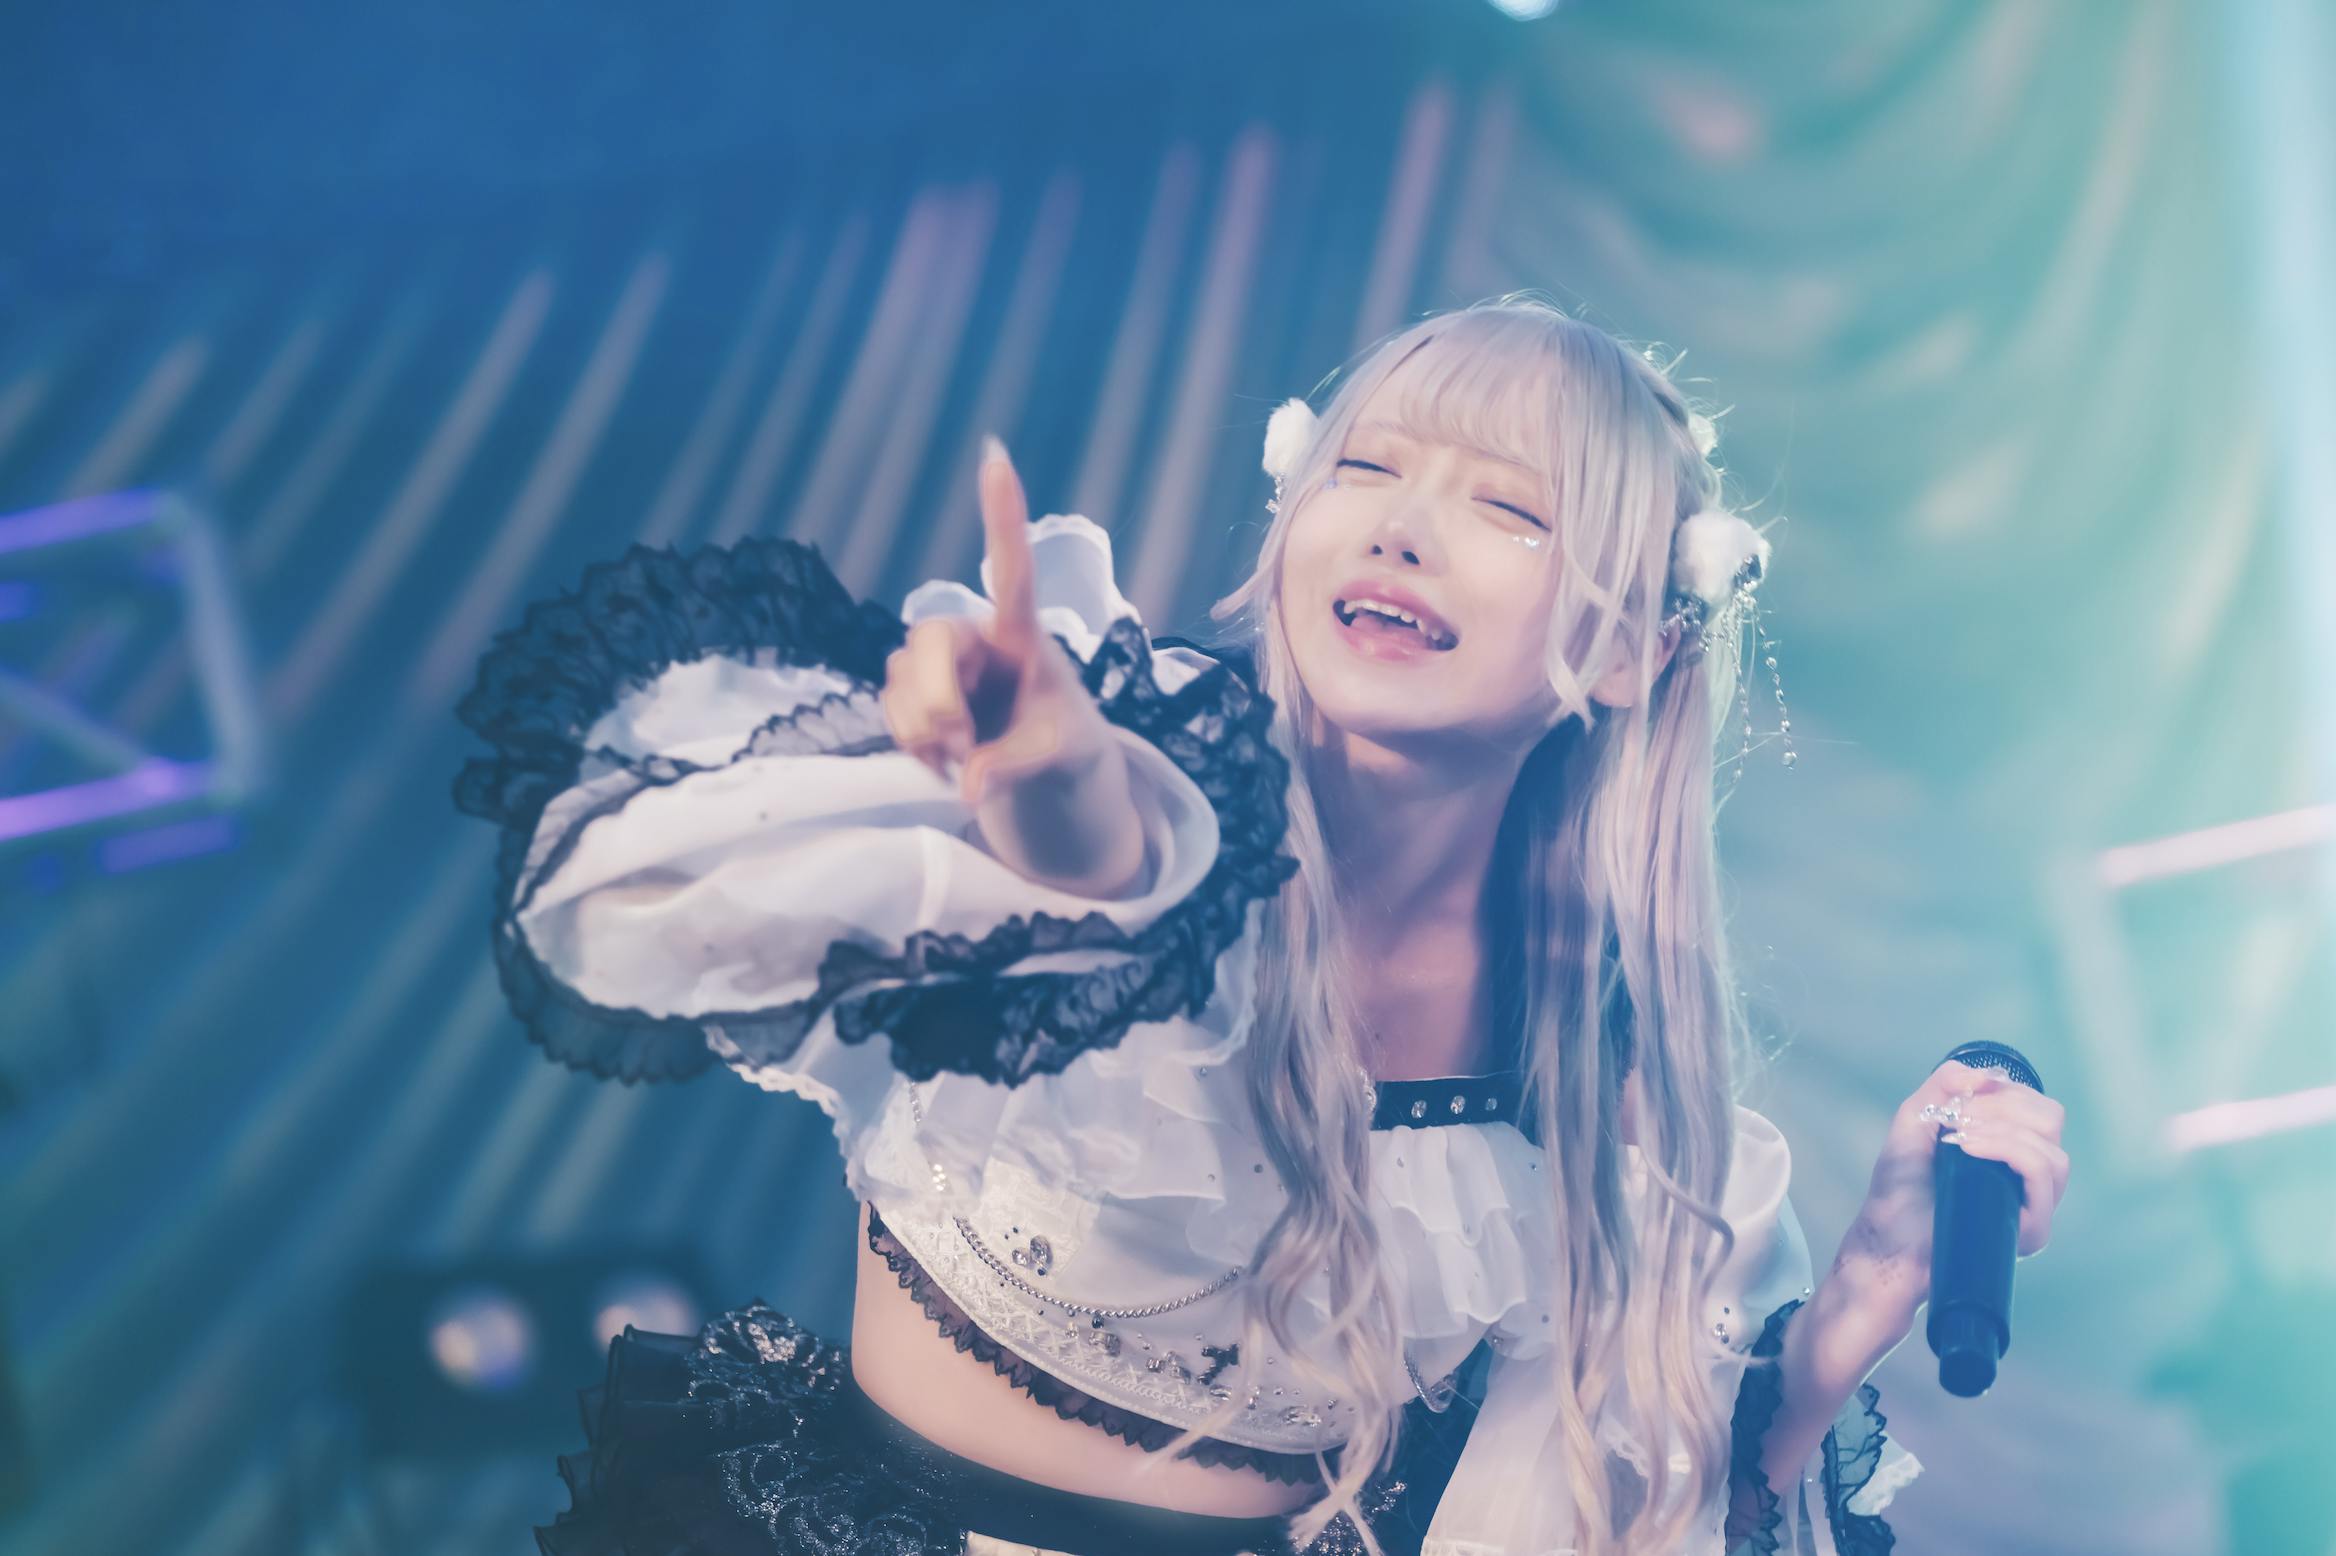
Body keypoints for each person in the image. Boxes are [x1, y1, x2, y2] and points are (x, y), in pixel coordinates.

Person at [453, 298, 2070, 1556]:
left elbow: (1610, 1496)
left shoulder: (1594, 1067)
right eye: (1365, 469)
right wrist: (1043, 778)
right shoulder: (1159, 768)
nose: (1402, 526)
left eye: (1511, 508)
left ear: (1632, 650)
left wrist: (1855, 1301)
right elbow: (1106, 871)